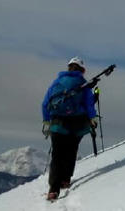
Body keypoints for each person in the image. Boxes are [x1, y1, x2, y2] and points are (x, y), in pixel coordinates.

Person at [41, 57, 98, 201]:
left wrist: (46, 119)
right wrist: (93, 117)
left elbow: (45, 103)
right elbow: (89, 104)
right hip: (77, 123)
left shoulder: (57, 82)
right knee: (71, 151)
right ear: (82, 70)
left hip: (57, 123)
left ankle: (53, 189)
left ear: (69, 68)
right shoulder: (83, 84)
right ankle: (65, 180)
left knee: (57, 154)